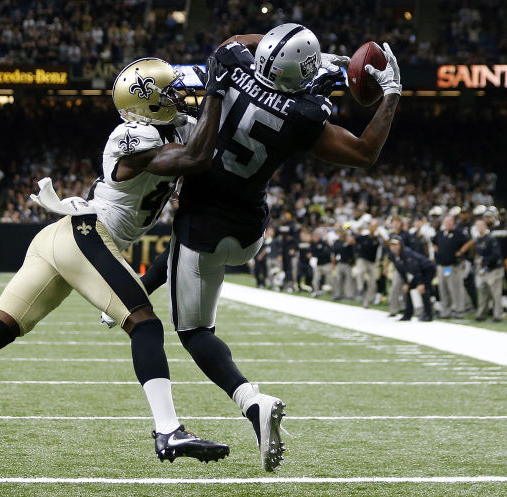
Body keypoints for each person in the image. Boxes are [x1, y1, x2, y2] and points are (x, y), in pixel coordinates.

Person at [0, 56, 231, 474]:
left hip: (63, 237)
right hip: (86, 233)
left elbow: (210, 136)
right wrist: (218, 95)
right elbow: (194, 158)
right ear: (145, 103)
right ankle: (167, 430)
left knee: (1, 325)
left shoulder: (175, 127)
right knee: (144, 325)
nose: (178, 97)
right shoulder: (131, 135)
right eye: (168, 92)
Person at [145, 24, 401, 471]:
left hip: (202, 223)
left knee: (194, 333)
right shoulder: (307, 113)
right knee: (185, 264)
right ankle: (137, 289)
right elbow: (364, 153)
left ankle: (251, 403)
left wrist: (301, 57)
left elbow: (238, 46)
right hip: (248, 233)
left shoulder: (229, 61)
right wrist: (391, 92)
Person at [387, 235, 435, 321]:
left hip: (427, 269)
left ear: (401, 245)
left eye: (396, 244)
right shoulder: (392, 256)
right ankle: (408, 315)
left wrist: (420, 283)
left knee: (423, 289)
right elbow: (401, 270)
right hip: (416, 271)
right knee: (408, 289)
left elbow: (415, 268)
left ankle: (428, 314)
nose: (394, 247)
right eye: (392, 245)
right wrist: (406, 283)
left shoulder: (406, 253)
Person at [433, 215, 469, 318]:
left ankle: (459, 311)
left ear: (453, 223)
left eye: (450, 222)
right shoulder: (440, 234)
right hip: (441, 266)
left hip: (452, 266)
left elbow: (469, 241)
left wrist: (461, 251)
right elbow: (433, 242)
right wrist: (437, 250)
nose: (448, 224)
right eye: (446, 222)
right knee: (443, 289)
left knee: (456, 289)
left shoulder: (458, 234)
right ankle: (446, 311)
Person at [472, 219, 504, 322]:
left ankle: (498, 316)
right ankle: (481, 314)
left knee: (496, 293)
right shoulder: (478, 239)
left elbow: (497, 254)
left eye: (481, 225)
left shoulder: (491, 239)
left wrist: (484, 260)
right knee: (483, 293)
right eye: (477, 225)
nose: (479, 227)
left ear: (485, 227)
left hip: (495, 269)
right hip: (485, 269)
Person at [354, 219, 382, 308]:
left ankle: (366, 301)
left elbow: (385, 244)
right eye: (372, 226)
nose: (373, 228)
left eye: (375, 226)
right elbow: (353, 239)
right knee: (360, 271)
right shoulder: (363, 236)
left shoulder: (377, 239)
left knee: (372, 283)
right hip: (362, 259)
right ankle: (360, 288)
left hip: (372, 262)